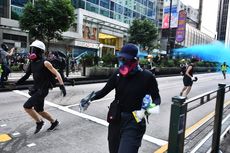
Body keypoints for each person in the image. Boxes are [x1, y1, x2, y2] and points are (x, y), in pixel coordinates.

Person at [80, 43, 161, 153]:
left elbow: (157, 99)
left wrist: (148, 109)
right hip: (116, 119)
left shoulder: (147, 77)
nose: (121, 62)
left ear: (135, 60)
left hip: (135, 121)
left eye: (125, 59)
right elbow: (104, 91)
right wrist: (89, 98)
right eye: (120, 58)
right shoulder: (118, 74)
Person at [15, 40, 66, 134]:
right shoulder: (32, 63)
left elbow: (57, 73)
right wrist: (16, 83)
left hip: (42, 90)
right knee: (39, 110)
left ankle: (39, 122)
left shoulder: (45, 63)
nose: (32, 52)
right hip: (36, 89)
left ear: (39, 51)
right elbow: (26, 76)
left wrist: (62, 85)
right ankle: (54, 122)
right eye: (32, 50)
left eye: (34, 50)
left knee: (27, 106)